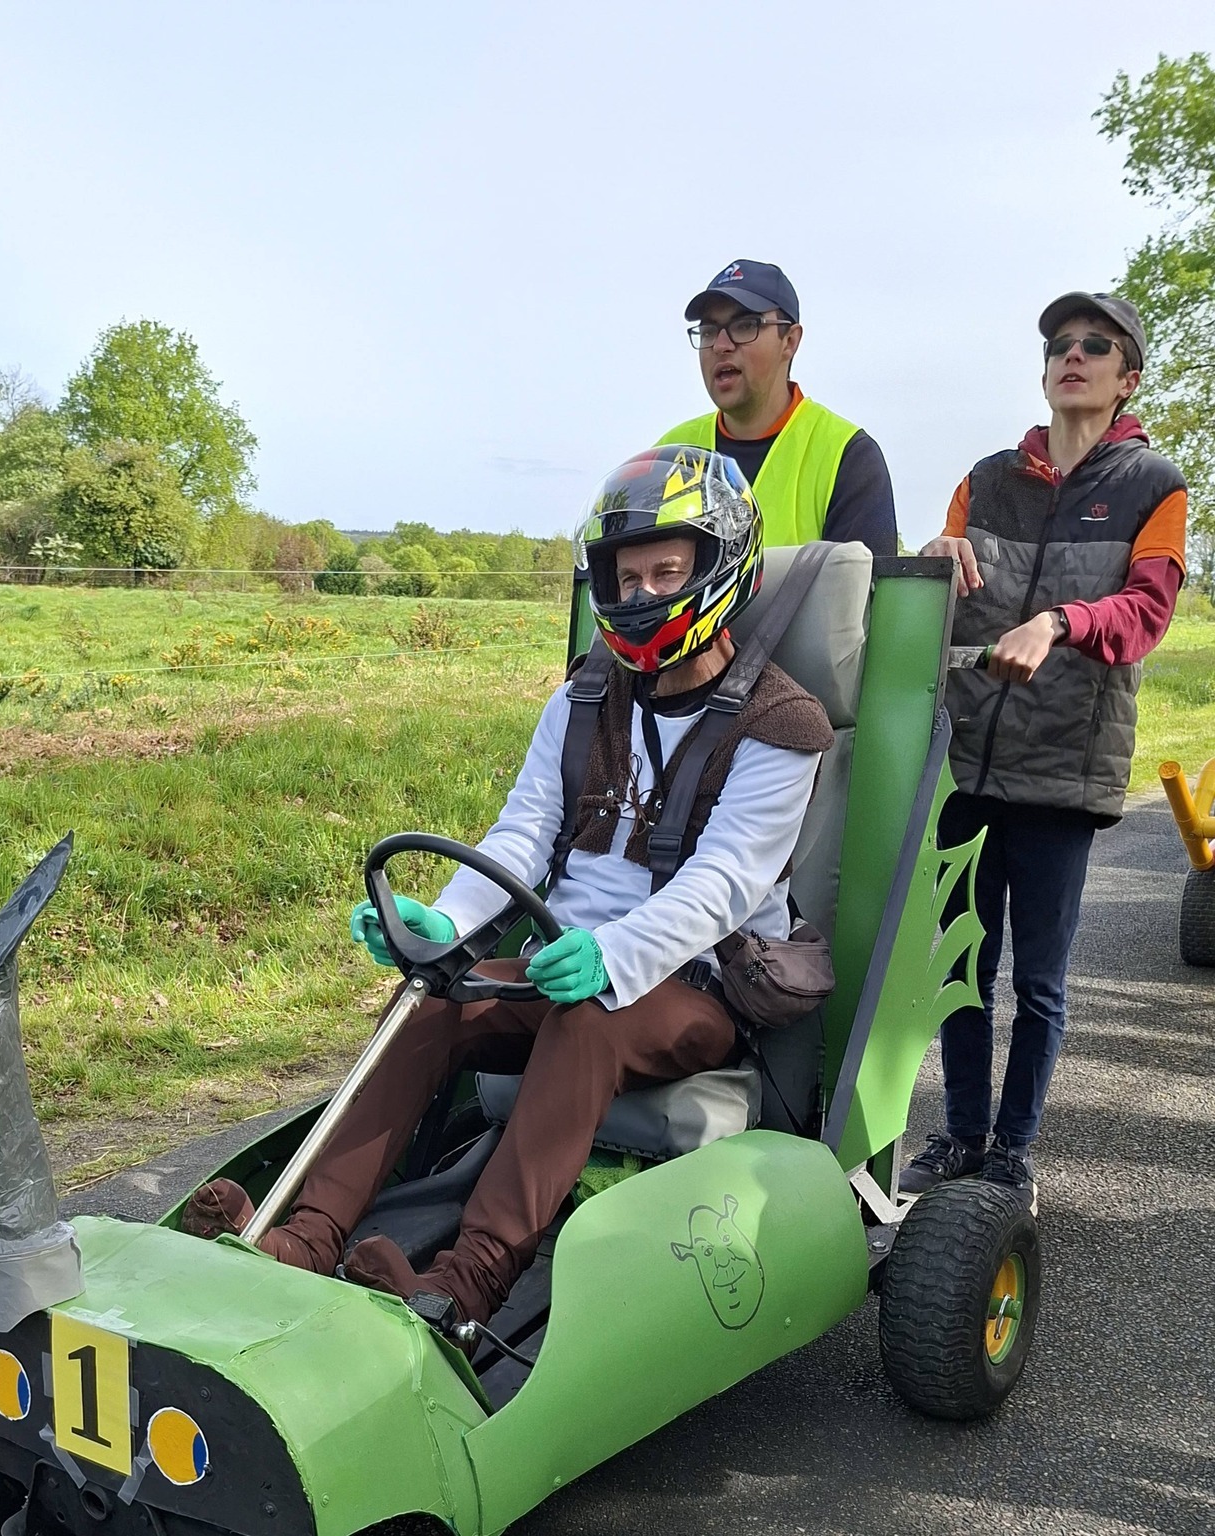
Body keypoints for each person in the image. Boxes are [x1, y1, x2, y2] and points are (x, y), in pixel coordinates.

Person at [185, 448, 833, 1327]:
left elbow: (724, 883)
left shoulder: (782, 724)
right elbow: (523, 833)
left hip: (693, 985)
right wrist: (445, 926)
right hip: (560, 965)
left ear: (720, 569)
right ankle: (300, 1235)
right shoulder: (585, 698)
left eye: (666, 572)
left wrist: (611, 955)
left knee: (587, 1017)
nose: (641, 594)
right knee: (429, 1001)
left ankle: (469, 1282)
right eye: (627, 576)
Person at [901, 290, 1188, 1203]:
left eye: (1096, 345)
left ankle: (1013, 1152)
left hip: (1064, 770)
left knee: (1041, 982)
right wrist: (932, 561)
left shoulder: (1156, 486)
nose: (1073, 355)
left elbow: (1145, 614)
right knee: (961, 968)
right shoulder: (986, 480)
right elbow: (929, 591)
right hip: (966, 763)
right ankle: (962, 1135)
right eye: (1061, 342)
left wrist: (1059, 621)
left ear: (1126, 378)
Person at [657, 259, 897, 553]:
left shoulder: (847, 456)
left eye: (745, 326)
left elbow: (863, 581)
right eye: (708, 330)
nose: (720, 345)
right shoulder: (668, 456)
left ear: (790, 341)